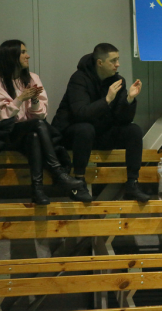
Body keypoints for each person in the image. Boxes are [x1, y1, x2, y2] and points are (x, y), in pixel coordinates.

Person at [52, 43, 149, 202]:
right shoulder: (79, 79)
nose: (118, 64)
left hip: (100, 134)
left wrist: (129, 100)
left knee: (133, 130)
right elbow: (81, 113)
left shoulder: (118, 81)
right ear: (100, 63)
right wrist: (107, 100)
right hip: (73, 136)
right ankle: (78, 182)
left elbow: (123, 119)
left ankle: (132, 183)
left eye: (118, 59)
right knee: (85, 129)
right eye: (113, 60)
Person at [0, 40, 83, 204]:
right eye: (23, 52)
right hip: (8, 133)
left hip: (30, 131)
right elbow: (2, 117)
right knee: (37, 127)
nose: (28, 56)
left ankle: (37, 190)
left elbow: (40, 116)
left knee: (35, 135)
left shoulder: (33, 78)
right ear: (11, 56)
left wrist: (34, 100)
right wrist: (21, 98)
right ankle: (58, 172)